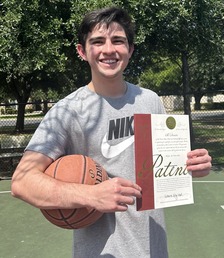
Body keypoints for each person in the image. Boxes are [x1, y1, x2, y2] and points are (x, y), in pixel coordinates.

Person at [11, 6, 212, 258]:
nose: (109, 50)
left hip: (154, 249)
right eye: (97, 42)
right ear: (82, 51)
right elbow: (22, 182)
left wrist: (192, 167)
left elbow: (161, 173)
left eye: (118, 41)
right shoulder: (67, 111)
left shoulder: (150, 101)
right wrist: (90, 194)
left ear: (130, 50)